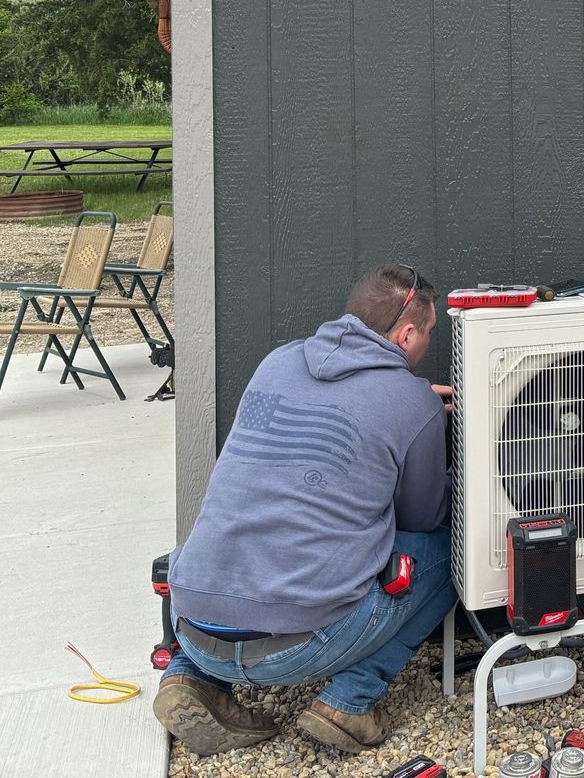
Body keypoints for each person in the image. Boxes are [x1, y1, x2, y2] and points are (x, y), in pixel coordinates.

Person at [152, 264, 458, 756]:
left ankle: (187, 677)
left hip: (191, 618)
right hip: (297, 645)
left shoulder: (277, 362)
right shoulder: (411, 401)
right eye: (427, 333)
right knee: (445, 556)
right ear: (405, 334)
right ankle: (350, 701)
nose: (426, 344)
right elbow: (422, 520)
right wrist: (417, 424)